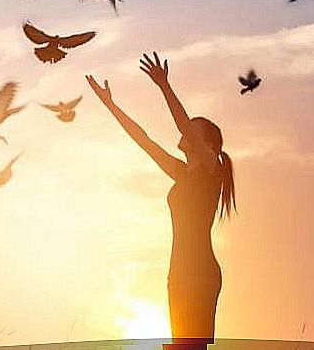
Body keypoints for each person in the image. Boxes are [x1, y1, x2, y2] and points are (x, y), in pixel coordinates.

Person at [86, 52, 236, 350]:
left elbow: (183, 125)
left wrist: (164, 86)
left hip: (199, 270)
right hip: (179, 270)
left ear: (209, 145)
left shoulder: (212, 170)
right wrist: (111, 105)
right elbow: (143, 140)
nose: (185, 131)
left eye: (194, 130)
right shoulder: (181, 173)